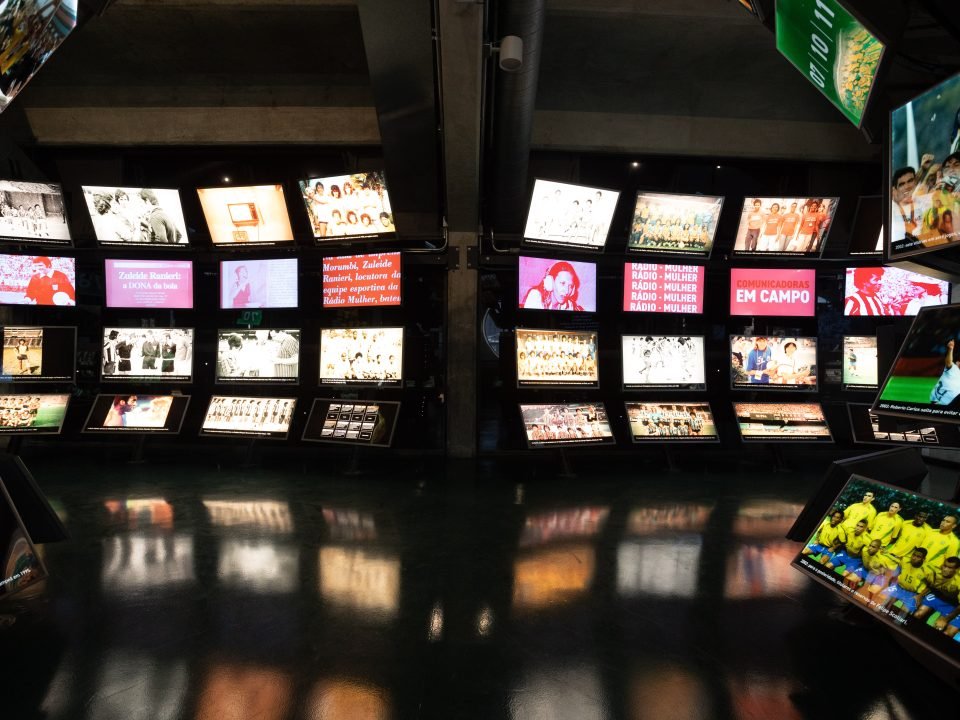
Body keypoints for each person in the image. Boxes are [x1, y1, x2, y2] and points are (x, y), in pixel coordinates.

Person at [930, 339, 960, 406]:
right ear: (957, 363)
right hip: (952, 402)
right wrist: (950, 349)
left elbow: (933, 401)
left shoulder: (933, 393)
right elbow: (949, 363)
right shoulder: (954, 369)